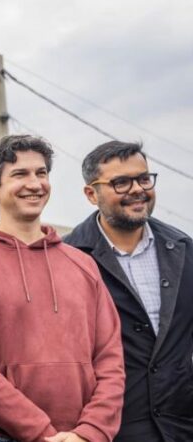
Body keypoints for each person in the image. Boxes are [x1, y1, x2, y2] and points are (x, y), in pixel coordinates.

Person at [0, 135, 125, 442]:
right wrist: (40, 433)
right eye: (20, 174)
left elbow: (110, 358)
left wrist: (90, 432)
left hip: (81, 436)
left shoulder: (82, 263)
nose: (35, 183)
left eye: (41, 173)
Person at [64, 141, 193, 442]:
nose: (137, 189)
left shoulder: (184, 250)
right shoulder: (68, 259)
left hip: (181, 428)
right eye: (120, 182)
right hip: (109, 431)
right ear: (90, 194)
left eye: (144, 178)